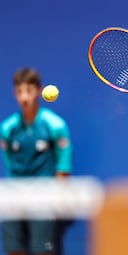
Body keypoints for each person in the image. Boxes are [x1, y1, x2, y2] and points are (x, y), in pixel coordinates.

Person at [0, 68, 72, 255]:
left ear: (38, 91)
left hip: (44, 196)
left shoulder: (54, 125)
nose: (24, 98)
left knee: (43, 252)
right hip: (14, 197)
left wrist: (58, 194)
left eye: (28, 91)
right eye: (19, 92)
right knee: (14, 250)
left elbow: (63, 165)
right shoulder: (7, 128)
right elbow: (9, 161)